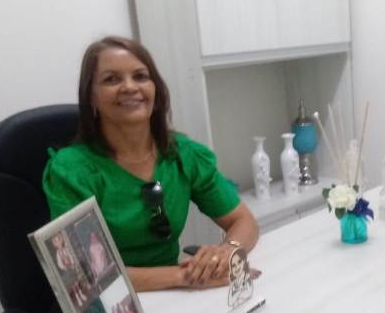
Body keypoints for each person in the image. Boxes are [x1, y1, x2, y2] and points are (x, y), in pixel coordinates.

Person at [43, 36, 259, 292]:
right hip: (112, 305)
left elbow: (243, 220)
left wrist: (227, 252)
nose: (129, 87)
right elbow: (83, 275)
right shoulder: (71, 171)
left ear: (155, 91)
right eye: (111, 79)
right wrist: (187, 275)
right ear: (92, 96)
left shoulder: (183, 155)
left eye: (140, 76)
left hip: (174, 297)